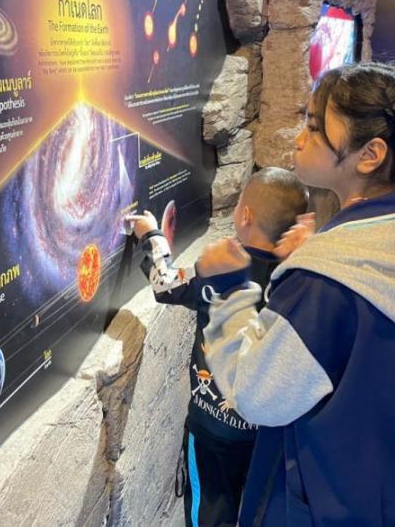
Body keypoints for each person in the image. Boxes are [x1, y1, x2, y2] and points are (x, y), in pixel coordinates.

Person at [195, 62, 395, 525]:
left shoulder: (324, 285)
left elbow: (255, 395)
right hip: (390, 496)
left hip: (321, 505)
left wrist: (229, 293)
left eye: (315, 127)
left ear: (369, 154)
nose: (300, 139)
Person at [127, 168, 308, 527]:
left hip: (212, 430)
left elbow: (166, 285)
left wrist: (152, 236)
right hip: (266, 434)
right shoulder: (297, 280)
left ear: (246, 215)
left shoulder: (220, 269)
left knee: (208, 512)